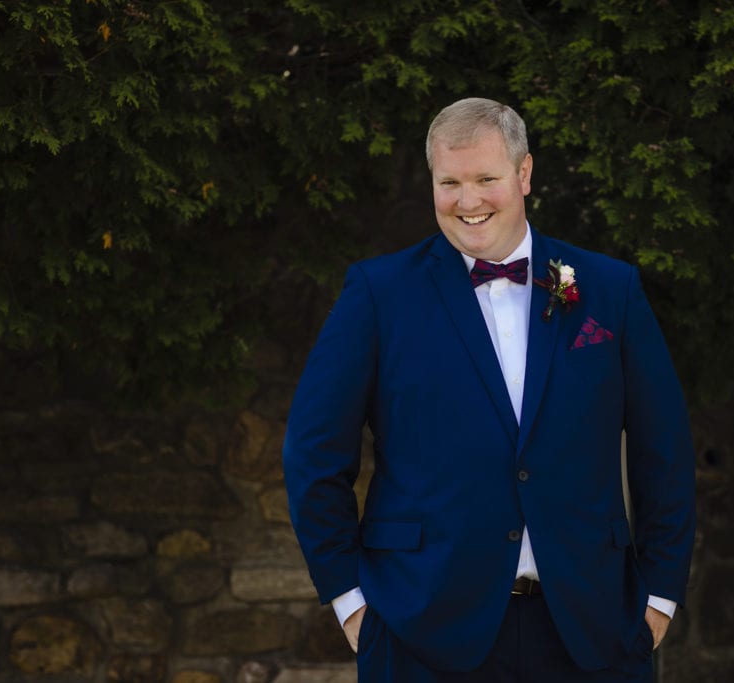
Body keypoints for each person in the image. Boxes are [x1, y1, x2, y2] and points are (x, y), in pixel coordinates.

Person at [283, 97, 696, 682]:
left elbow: (666, 452)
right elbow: (312, 455)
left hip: (594, 629)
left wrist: (659, 598)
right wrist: (350, 603)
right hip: (421, 628)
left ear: (524, 174)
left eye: (486, 179)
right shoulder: (379, 294)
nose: (467, 201)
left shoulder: (609, 289)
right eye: (449, 182)